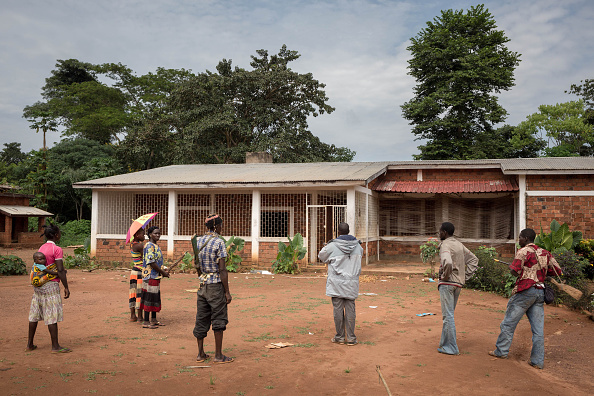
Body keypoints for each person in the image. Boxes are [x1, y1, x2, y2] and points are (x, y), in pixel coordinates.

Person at [490, 228, 562, 369]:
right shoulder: (545, 252)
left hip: (525, 291)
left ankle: (501, 351)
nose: (519, 240)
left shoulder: (523, 251)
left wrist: (517, 269)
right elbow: (557, 270)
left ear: (526, 238)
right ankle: (537, 361)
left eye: (520, 237)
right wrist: (541, 273)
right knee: (538, 331)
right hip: (540, 293)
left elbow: (514, 270)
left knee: (508, 324)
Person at [192, 214, 233, 364]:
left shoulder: (197, 241)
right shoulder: (219, 242)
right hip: (215, 285)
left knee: (201, 318)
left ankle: (200, 354)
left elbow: (196, 263)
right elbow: (222, 270)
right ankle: (218, 355)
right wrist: (227, 291)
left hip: (202, 285)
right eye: (221, 225)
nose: (222, 228)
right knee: (218, 319)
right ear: (216, 227)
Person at [26, 224, 72, 353]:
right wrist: (66, 287)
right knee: (51, 314)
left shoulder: (42, 247)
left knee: (34, 314)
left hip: (38, 285)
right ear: (56, 235)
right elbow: (60, 269)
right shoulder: (56, 249)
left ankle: (29, 344)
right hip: (50, 285)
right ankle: (55, 346)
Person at [318, 222, 363, 346]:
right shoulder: (358, 247)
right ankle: (351, 338)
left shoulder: (332, 246)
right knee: (351, 310)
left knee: (337, 310)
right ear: (348, 231)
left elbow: (321, 256)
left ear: (338, 232)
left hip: (336, 283)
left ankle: (340, 337)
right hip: (351, 283)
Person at [437, 222, 478, 355]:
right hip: (457, 284)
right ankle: (444, 345)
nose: (439, 234)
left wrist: (445, 276)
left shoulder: (445, 245)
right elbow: (473, 260)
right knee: (449, 315)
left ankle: (451, 347)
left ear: (444, 232)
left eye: (440, 231)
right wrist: (465, 276)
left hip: (448, 284)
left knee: (447, 316)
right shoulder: (459, 244)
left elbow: (447, 262)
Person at [139, 226, 169, 329]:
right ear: (150, 234)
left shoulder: (155, 246)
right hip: (150, 276)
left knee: (155, 297)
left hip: (155, 275)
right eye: (155, 233)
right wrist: (163, 273)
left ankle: (154, 319)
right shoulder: (149, 246)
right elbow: (151, 262)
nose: (158, 235)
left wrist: (163, 269)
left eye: (159, 233)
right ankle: (146, 321)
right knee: (149, 297)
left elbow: (157, 261)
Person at [128, 228, 145, 322]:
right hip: (140, 272)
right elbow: (144, 259)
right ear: (137, 235)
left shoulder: (132, 244)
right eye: (143, 234)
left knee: (133, 293)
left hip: (134, 271)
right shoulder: (140, 246)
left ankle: (132, 316)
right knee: (140, 293)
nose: (144, 236)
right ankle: (140, 316)